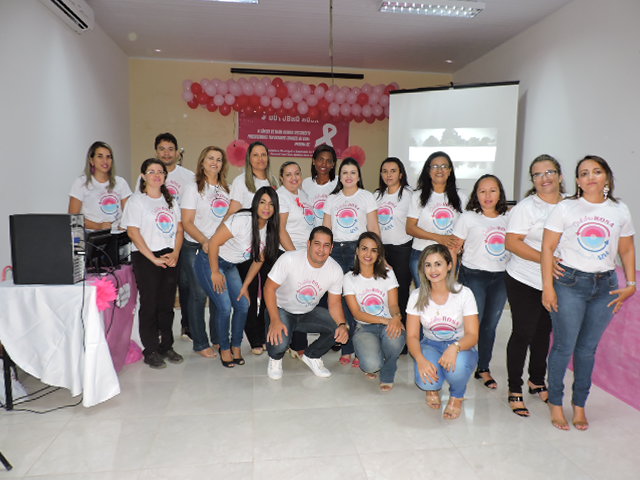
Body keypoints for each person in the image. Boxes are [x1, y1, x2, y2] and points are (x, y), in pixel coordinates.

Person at [542, 155, 636, 431]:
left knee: (587, 349)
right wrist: (548, 287)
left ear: (606, 177)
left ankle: (580, 404)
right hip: (570, 283)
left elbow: (627, 248)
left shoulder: (619, 209)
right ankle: (556, 403)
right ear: (577, 180)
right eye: (584, 173)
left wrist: (631, 283)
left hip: (605, 286)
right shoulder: (566, 208)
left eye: (596, 171)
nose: (590, 177)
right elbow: (548, 248)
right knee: (564, 346)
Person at [504, 154, 565, 416]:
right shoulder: (526, 207)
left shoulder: (571, 205)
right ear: (533, 180)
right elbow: (511, 242)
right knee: (523, 332)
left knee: (543, 333)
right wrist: (546, 259)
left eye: (549, 172)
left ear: (560, 176)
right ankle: (514, 389)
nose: (544, 178)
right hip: (524, 278)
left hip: (556, 282)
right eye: (537, 174)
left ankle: (536, 380)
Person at [195, 186, 280, 368]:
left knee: (243, 305)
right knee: (225, 307)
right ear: (256, 203)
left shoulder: (269, 230)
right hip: (210, 261)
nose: (266, 207)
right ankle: (224, 348)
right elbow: (214, 242)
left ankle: (236, 346)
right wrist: (215, 272)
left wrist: (245, 286)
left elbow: (258, 261)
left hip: (230, 266)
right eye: (263, 202)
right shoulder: (242, 220)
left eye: (271, 204)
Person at [121, 158, 184, 369]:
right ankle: (151, 350)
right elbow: (133, 232)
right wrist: (153, 258)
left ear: (165, 176)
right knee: (150, 305)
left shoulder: (171, 201)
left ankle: (166, 346)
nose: (156, 175)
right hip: (146, 257)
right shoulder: (136, 201)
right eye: (151, 171)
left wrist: (175, 253)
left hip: (169, 255)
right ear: (143, 176)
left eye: (160, 171)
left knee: (167, 304)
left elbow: (179, 230)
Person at [264, 226, 349, 379]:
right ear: (308, 244)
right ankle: (275, 359)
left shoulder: (335, 269)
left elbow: (335, 303)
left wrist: (343, 325)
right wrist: (275, 320)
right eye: (317, 244)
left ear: (331, 248)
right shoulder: (289, 259)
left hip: (308, 312)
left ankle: (312, 356)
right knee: (279, 344)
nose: (321, 250)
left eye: (326, 245)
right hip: (281, 309)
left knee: (337, 328)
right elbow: (269, 288)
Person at [406, 244, 479, 419]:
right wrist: (421, 360)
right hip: (430, 344)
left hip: (461, 345)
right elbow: (412, 336)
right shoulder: (416, 296)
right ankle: (432, 389)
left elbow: (472, 335)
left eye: (438, 264)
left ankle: (457, 395)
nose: (433, 270)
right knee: (426, 379)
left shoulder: (464, 294)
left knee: (457, 369)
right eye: (428, 265)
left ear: (449, 265)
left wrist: (455, 347)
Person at [452, 174, 509, 391]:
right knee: (472, 324)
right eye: (482, 191)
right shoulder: (468, 217)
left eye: (493, 190)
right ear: (476, 194)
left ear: (500, 193)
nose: (488, 195)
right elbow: (454, 248)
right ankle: (460, 363)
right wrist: (451, 279)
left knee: (490, 325)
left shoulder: (508, 218)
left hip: (500, 278)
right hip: (473, 275)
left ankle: (483, 368)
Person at [323, 157, 380, 366]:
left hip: (359, 251)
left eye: (353, 172)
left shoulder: (366, 196)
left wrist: (379, 256)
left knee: (359, 299)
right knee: (340, 301)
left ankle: (360, 349)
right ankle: (346, 348)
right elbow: (326, 229)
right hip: (336, 252)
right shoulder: (332, 199)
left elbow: (373, 228)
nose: (348, 176)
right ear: (339, 176)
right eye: (345, 172)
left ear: (358, 176)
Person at [227, 141, 279, 355]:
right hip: (246, 246)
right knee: (248, 291)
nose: (260, 159)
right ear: (249, 158)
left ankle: (266, 332)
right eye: (255, 155)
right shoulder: (241, 182)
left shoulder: (274, 182)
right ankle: (254, 337)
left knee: (269, 290)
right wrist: (221, 236)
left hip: (269, 243)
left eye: (263, 154)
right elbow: (232, 212)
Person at [181, 146, 230, 359]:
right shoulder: (193, 188)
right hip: (196, 247)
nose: (214, 162)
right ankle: (200, 342)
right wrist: (204, 241)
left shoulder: (226, 189)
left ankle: (218, 338)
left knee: (218, 293)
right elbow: (187, 222)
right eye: (210, 158)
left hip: (220, 248)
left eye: (219, 159)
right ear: (202, 162)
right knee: (199, 295)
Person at [147, 133, 196, 340]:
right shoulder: (149, 174)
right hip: (156, 240)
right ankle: (160, 328)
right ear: (156, 151)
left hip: (182, 238)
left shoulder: (189, 176)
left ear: (177, 152)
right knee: (161, 287)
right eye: (162, 149)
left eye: (170, 149)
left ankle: (187, 326)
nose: (166, 153)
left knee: (186, 284)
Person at [343, 232, 406, 391]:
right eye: (364, 248)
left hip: (387, 324)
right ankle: (372, 355)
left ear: (379, 254)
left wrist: (396, 317)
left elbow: (393, 305)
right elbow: (357, 313)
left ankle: (389, 369)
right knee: (371, 365)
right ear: (357, 251)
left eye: (374, 250)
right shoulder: (349, 278)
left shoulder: (388, 273)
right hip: (364, 327)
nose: (368, 254)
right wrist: (387, 320)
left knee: (394, 340)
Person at [406, 151, 467, 287]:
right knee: (424, 296)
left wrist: (460, 245)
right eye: (435, 166)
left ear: (450, 171)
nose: (439, 170)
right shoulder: (417, 196)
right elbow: (410, 228)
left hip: (449, 256)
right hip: (421, 254)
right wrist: (439, 238)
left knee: (446, 295)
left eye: (444, 166)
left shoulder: (461, 197)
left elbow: (466, 228)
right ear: (428, 171)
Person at [374, 157, 413, 332]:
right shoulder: (376, 195)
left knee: (401, 292)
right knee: (381, 291)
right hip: (380, 251)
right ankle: (385, 329)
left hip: (402, 250)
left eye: (393, 171)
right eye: (385, 171)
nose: (388, 175)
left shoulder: (409, 195)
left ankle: (403, 333)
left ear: (401, 174)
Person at [68, 141, 132, 231]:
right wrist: (98, 226)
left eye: (108, 157)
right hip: (92, 235)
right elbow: (73, 218)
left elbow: (129, 214)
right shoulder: (81, 183)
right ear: (91, 161)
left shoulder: (121, 182)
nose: (105, 161)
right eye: (100, 156)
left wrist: (123, 226)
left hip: (117, 234)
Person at [277, 161, 314, 251]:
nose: (294, 178)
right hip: (289, 251)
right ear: (281, 178)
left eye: (297, 174)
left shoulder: (303, 194)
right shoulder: (280, 196)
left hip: (305, 250)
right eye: (288, 175)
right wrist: (294, 254)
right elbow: (280, 230)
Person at [302, 144, 338, 227]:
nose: (324, 164)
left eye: (328, 161)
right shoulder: (305, 183)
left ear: (333, 164)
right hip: (311, 231)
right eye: (321, 159)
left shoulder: (339, 182)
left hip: (333, 232)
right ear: (314, 161)